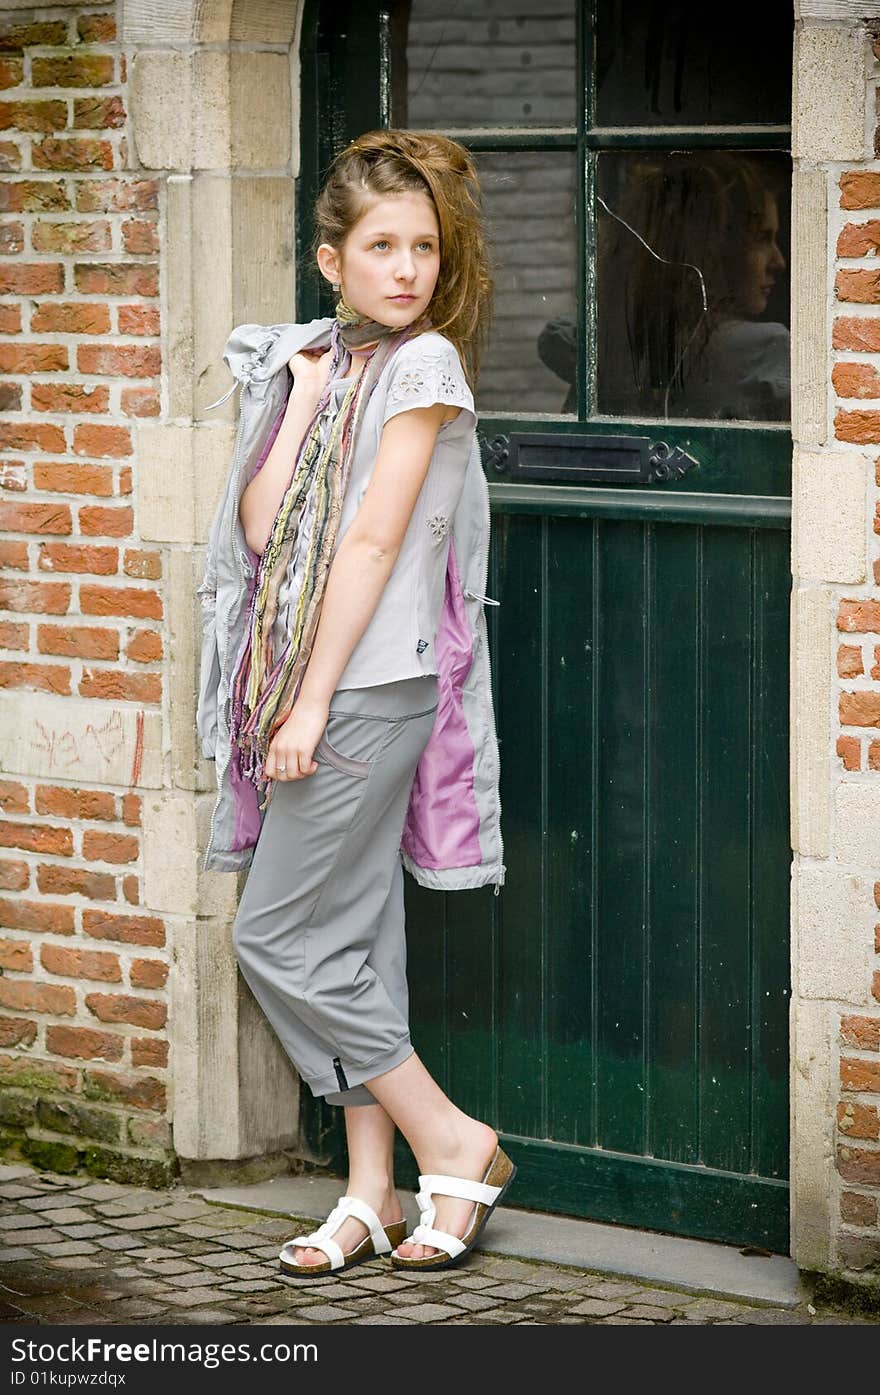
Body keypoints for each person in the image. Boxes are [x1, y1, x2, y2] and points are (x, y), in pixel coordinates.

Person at [199, 130, 514, 1278]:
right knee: (350, 934)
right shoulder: (321, 362)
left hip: (366, 684)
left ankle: (453, 1138)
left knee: (275, 936)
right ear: (332, 260)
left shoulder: (425, 366)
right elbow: (262, 524)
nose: (407, 268)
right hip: (321, 681)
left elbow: (374, 542)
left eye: (423, 246)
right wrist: (304, 392)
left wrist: (308, 706)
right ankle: (373, 1192)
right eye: (381, 246)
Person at [538, 152, 790, 422]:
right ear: (709, 246)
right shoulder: (765, 351)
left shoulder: (601, 345)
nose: (779, 261)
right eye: (761, 239)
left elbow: (558, 337)